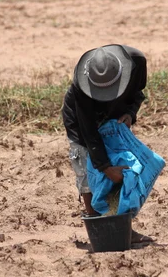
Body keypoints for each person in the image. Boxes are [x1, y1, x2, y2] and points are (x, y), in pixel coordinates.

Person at [62, 44, 153, 245]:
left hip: (114, 120)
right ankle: (99, 228)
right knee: (87, 171)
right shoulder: (81, 86)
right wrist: (104, 167)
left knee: (121, 168)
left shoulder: (136, 62)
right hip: (82, 123)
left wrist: (130, 114)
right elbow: (88, 132)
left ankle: (122, 228)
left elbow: (138, 93)